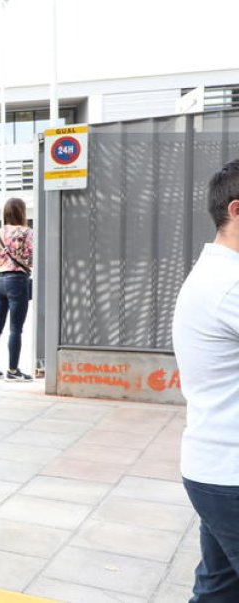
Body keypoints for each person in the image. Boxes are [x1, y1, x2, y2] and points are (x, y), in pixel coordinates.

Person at [173, 160, 239, 602]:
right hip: (229, 473)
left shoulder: (214, 274)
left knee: (218, 591)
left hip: (215, 468)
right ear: (236, 210)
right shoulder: (229, 284)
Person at [0, 198, 34, 381]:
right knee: (15, 329)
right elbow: (32, 258)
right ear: (22, 212)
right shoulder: (27, 232)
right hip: (17, 281)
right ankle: (13, 371)